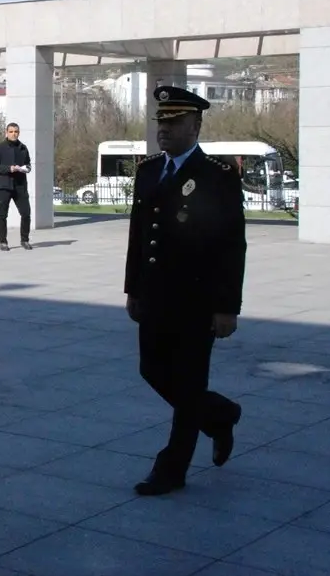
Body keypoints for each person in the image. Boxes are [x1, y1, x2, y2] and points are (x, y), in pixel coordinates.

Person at [123, 85, 246, 496]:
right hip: (155, 295)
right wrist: (132, 289)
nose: (165, 129)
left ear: (196, 126)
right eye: (162, 121)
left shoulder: (218, 175)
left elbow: (232, 244)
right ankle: (220, 415)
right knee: (151, 370)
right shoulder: (148, 170)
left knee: (189, 384)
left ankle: (171, 469)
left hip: (198, 300)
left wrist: (227, 306)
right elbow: (139, 235)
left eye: (174, 122)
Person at [0, 122, 32, 251]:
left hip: (20, 186)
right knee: (2, 214)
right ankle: (3, 242)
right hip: (4, 185)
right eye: (11, 131)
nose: (14, 134)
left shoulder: (23, 148)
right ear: (6, 132)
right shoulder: (0, 148)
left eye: (16, 132)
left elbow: (28, 164)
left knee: (26, 213)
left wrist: (26, 168)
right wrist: (9, 168)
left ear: (19, 133)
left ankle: (25, 240)